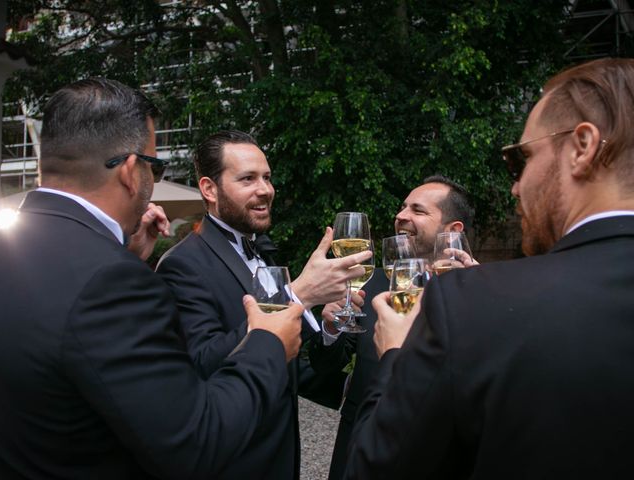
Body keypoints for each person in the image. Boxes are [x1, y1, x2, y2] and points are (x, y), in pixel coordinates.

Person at [0, 78, 307, 479]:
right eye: (154, 167)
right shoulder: (115, 282)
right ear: (130, 170)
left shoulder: (11, 249)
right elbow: (194, 442)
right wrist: (266, 342)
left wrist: (123, 254)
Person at [345, 57, 634, 479]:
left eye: (520, 160)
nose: (516, 185)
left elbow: (376, 468)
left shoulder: (469, 302)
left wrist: (394, 356)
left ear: (582, 147)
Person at [155, 130, 371, 479]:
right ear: (209, 189)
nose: (265, 189)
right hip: (232, 461)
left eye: (267, 178)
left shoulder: (263, 254)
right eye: (248, 179)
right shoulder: (182, 265)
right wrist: (298, 294)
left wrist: (330, 328)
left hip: (279, 457)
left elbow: (287, 362)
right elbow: (199, 365)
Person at [324, 175, 475, 480]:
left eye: (417, 211)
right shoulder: (371, 282)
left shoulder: (479, 291)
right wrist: (331, 329)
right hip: (360, 451)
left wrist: (480, 299)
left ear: (453, 229)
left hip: (439, 458)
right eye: (403, 207)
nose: (401, 216)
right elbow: (327, 367)